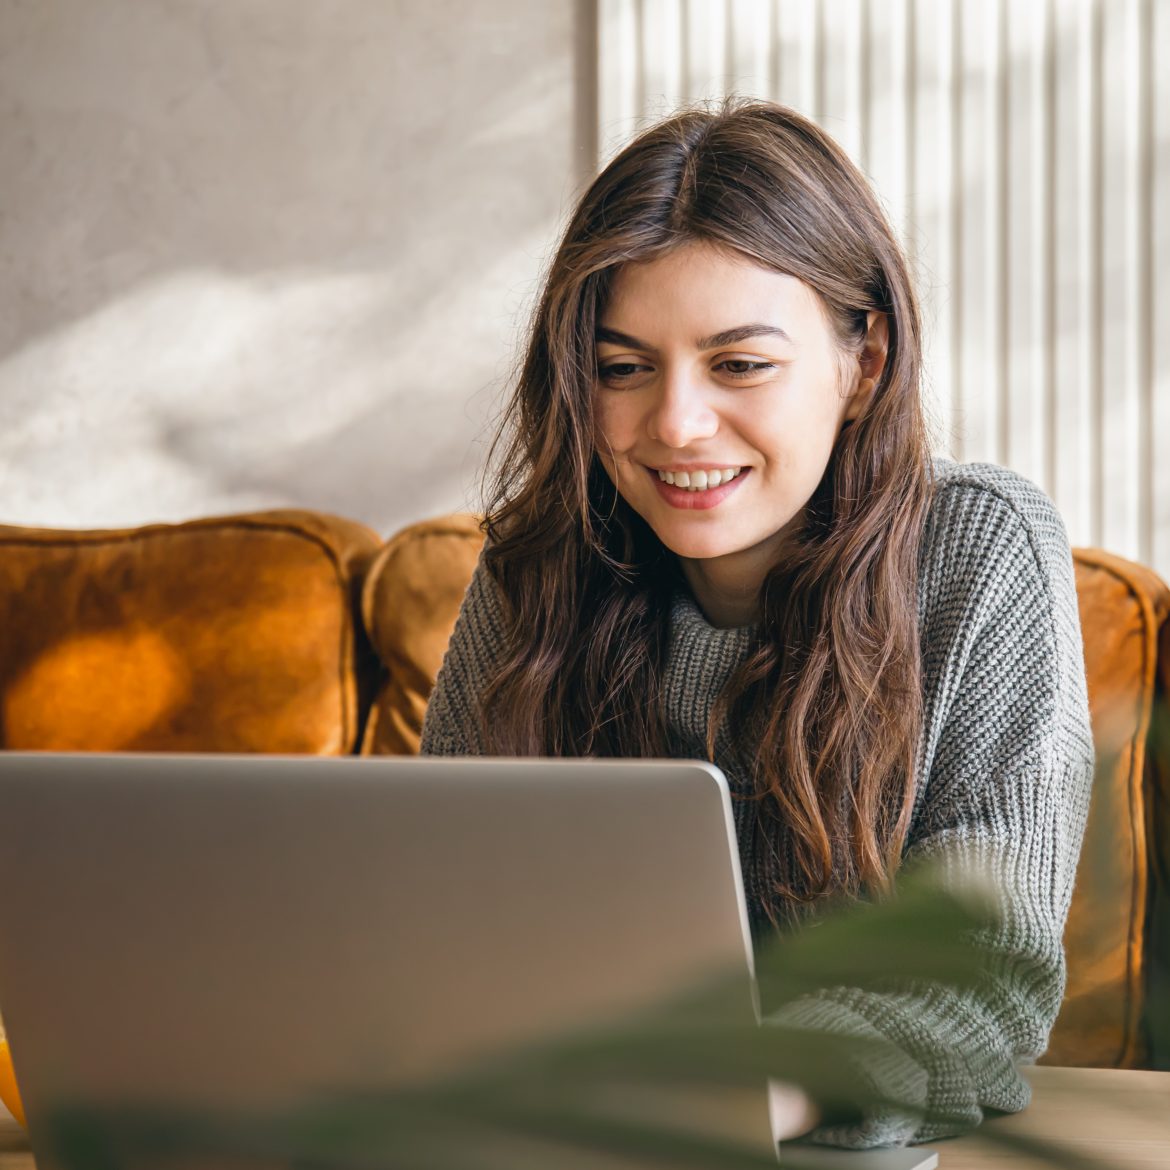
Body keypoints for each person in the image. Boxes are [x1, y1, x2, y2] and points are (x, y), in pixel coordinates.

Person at [420, 98, 1094, 1150]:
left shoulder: (979, 551)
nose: (676, 423)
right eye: (622, 367)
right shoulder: (536, 566)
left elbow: (984, 970)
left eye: (739, 364)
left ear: (861, 364)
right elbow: (427, 917)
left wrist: (747, 1089)